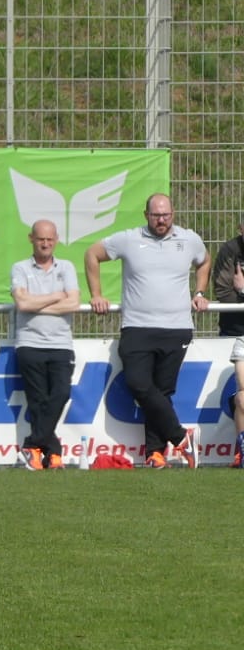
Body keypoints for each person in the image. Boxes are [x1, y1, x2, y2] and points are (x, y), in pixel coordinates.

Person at [86, 193, 210, 468]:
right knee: (139, 385)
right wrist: (96, 294)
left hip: (176, 328)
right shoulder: (129, 239)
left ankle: (155, 453)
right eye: (156, 215)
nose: (161, 220)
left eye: (165, 214)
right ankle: (181, 437)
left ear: (173, 213)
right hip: (137, 327)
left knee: (162, 392)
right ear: (146, 215)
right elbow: (92, 254)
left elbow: (204, 261)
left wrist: (200, 291)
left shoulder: (188, 239)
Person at [9, 219, 80, 470]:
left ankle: (31, 446)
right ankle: (51, 455)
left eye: (50, 239)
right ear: (32, 239)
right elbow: (23, 305)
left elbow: (73, 304)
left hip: (61, 343)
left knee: (61, 394)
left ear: (57, 240)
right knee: (38, 401)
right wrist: (55, 297)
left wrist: (38, 303)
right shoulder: (20, 268)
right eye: (41, 239)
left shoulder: (67, 267)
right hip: (29, 342)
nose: (46, 244)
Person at [207, 216, 244, 466]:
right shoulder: (230, 250)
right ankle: (241, 450)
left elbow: (237, 291)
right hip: (236, 331)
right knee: (241, 396)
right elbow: (222, 292)